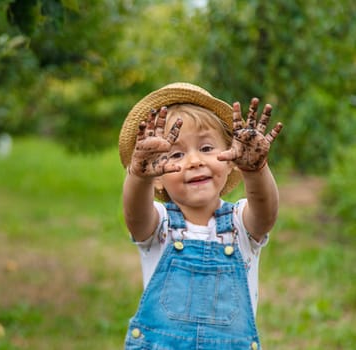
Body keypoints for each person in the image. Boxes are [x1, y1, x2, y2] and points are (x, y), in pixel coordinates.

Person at [118, 82, 283, 350]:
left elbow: (265, 216)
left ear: (230, 160)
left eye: (206, 149)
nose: (194, 161)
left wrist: (256, 170)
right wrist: (139, 175)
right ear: (157, 177)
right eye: (176, 154)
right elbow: (135, 215)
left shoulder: (241, 222)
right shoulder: (159, 224)